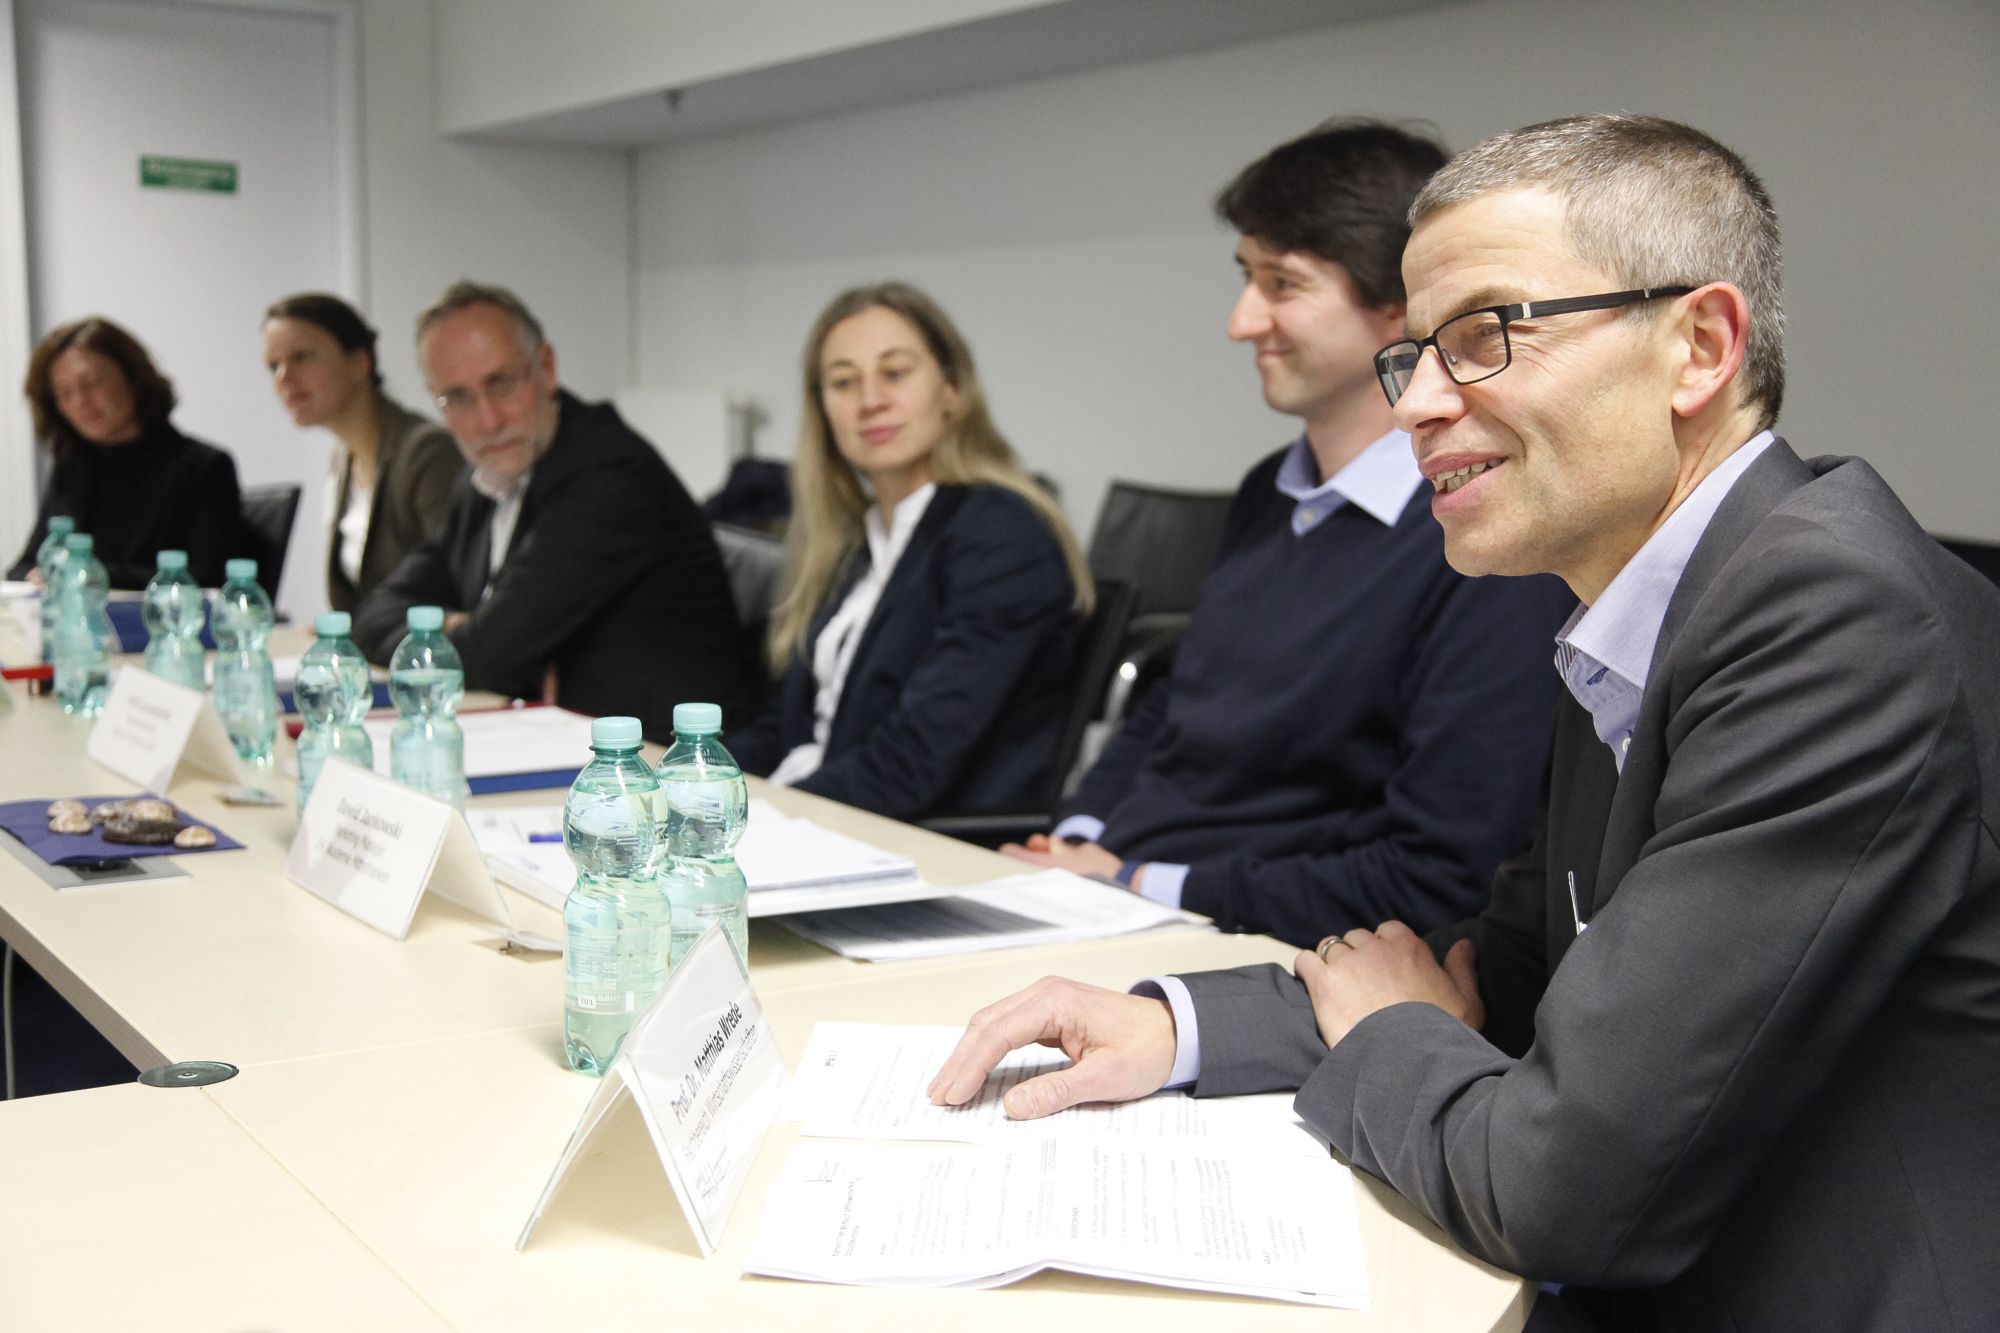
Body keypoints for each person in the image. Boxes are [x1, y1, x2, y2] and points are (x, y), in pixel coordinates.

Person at [930, 114, 2000, 1332]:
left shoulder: (1830, 617)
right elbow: (1504, 969)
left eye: (1487, 336)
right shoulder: (1640, 594)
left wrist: (1387, 1029)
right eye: (1417, 353)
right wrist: (1174, 1026)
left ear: (1697, 345)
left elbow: (1563, 1190)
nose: (1417, 406)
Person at [1002, 119, 1571, 947]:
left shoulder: (1481, 541)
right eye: (1246, 277)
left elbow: (1442, 873)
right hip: (1119, 903)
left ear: (1398, 306)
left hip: (1256, 942)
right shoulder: (1268, 494)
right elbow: (1178, 704)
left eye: (1283, 283)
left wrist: (1136, 880)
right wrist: (1084, 832)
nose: (1242, 320)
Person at [726, 282, 1090, 821]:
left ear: (951, 388)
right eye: (844, 382)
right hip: (825, 816)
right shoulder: (857, 542)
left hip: (917, 841)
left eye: (895, 373)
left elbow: (912, 761)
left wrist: (764, 820)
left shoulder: (1003, 536)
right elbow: (783, 729)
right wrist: (686, 788)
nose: (871, 400)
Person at [352, 280, 753, 736]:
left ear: (546, 367)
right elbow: (373, 613)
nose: (487, 420)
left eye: (501, 383)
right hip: (567, 741)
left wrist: (457, 634)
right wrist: (457, 631)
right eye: (458, 398)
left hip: (667, 765)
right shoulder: (484, 478)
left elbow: (488, 658)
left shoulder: (609, 476)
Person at [262, 293, 464, 613]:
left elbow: (458, 585)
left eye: (302, 357)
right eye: (273, 365)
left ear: (360, 362)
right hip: (372, 651)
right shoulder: (342, 458)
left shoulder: (427, 451)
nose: (284, 378)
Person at [8, 317, 242, 588]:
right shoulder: (72, 467)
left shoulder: (203, 466)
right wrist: (35, 576)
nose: (80, 401)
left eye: (91, 383)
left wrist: (91, 576)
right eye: (64, 393)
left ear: (133, 377)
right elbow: (26, 565)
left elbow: (209, 576)